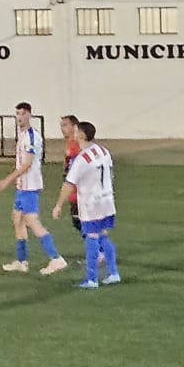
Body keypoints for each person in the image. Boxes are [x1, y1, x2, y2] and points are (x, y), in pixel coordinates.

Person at [0, 102, 67, 275]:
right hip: (23, 187)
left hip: (30, 187)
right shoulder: (23, 135)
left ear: (29, 115)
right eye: (17, 114)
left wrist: (7, 180)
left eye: (22, 113)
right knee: (17, 220)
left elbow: (27, 164)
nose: (19, 117)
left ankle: (56, 258)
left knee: (33, 222)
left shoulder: (32, 136)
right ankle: (21, 261)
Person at [52, 121, 120, 288]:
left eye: (76, 131)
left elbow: (69, 184)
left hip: (92, 204)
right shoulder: (103, 151)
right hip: (107, 200)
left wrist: (58, 205)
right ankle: (113, 273)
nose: (73, 134)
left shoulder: (81, 159)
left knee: (91, 237)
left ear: (81, 135)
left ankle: (91, 279)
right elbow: (111, 174)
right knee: (102, 234)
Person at [57, 114, 84, 237]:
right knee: (79, 222)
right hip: (73, 190)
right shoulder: (70, 144)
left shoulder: (78, 145)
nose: (62, 129)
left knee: (82, 222)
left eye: (65, 125)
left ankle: (100, 250)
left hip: (79, 191)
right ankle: (100, 250)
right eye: (61, 126)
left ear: (74, 126)